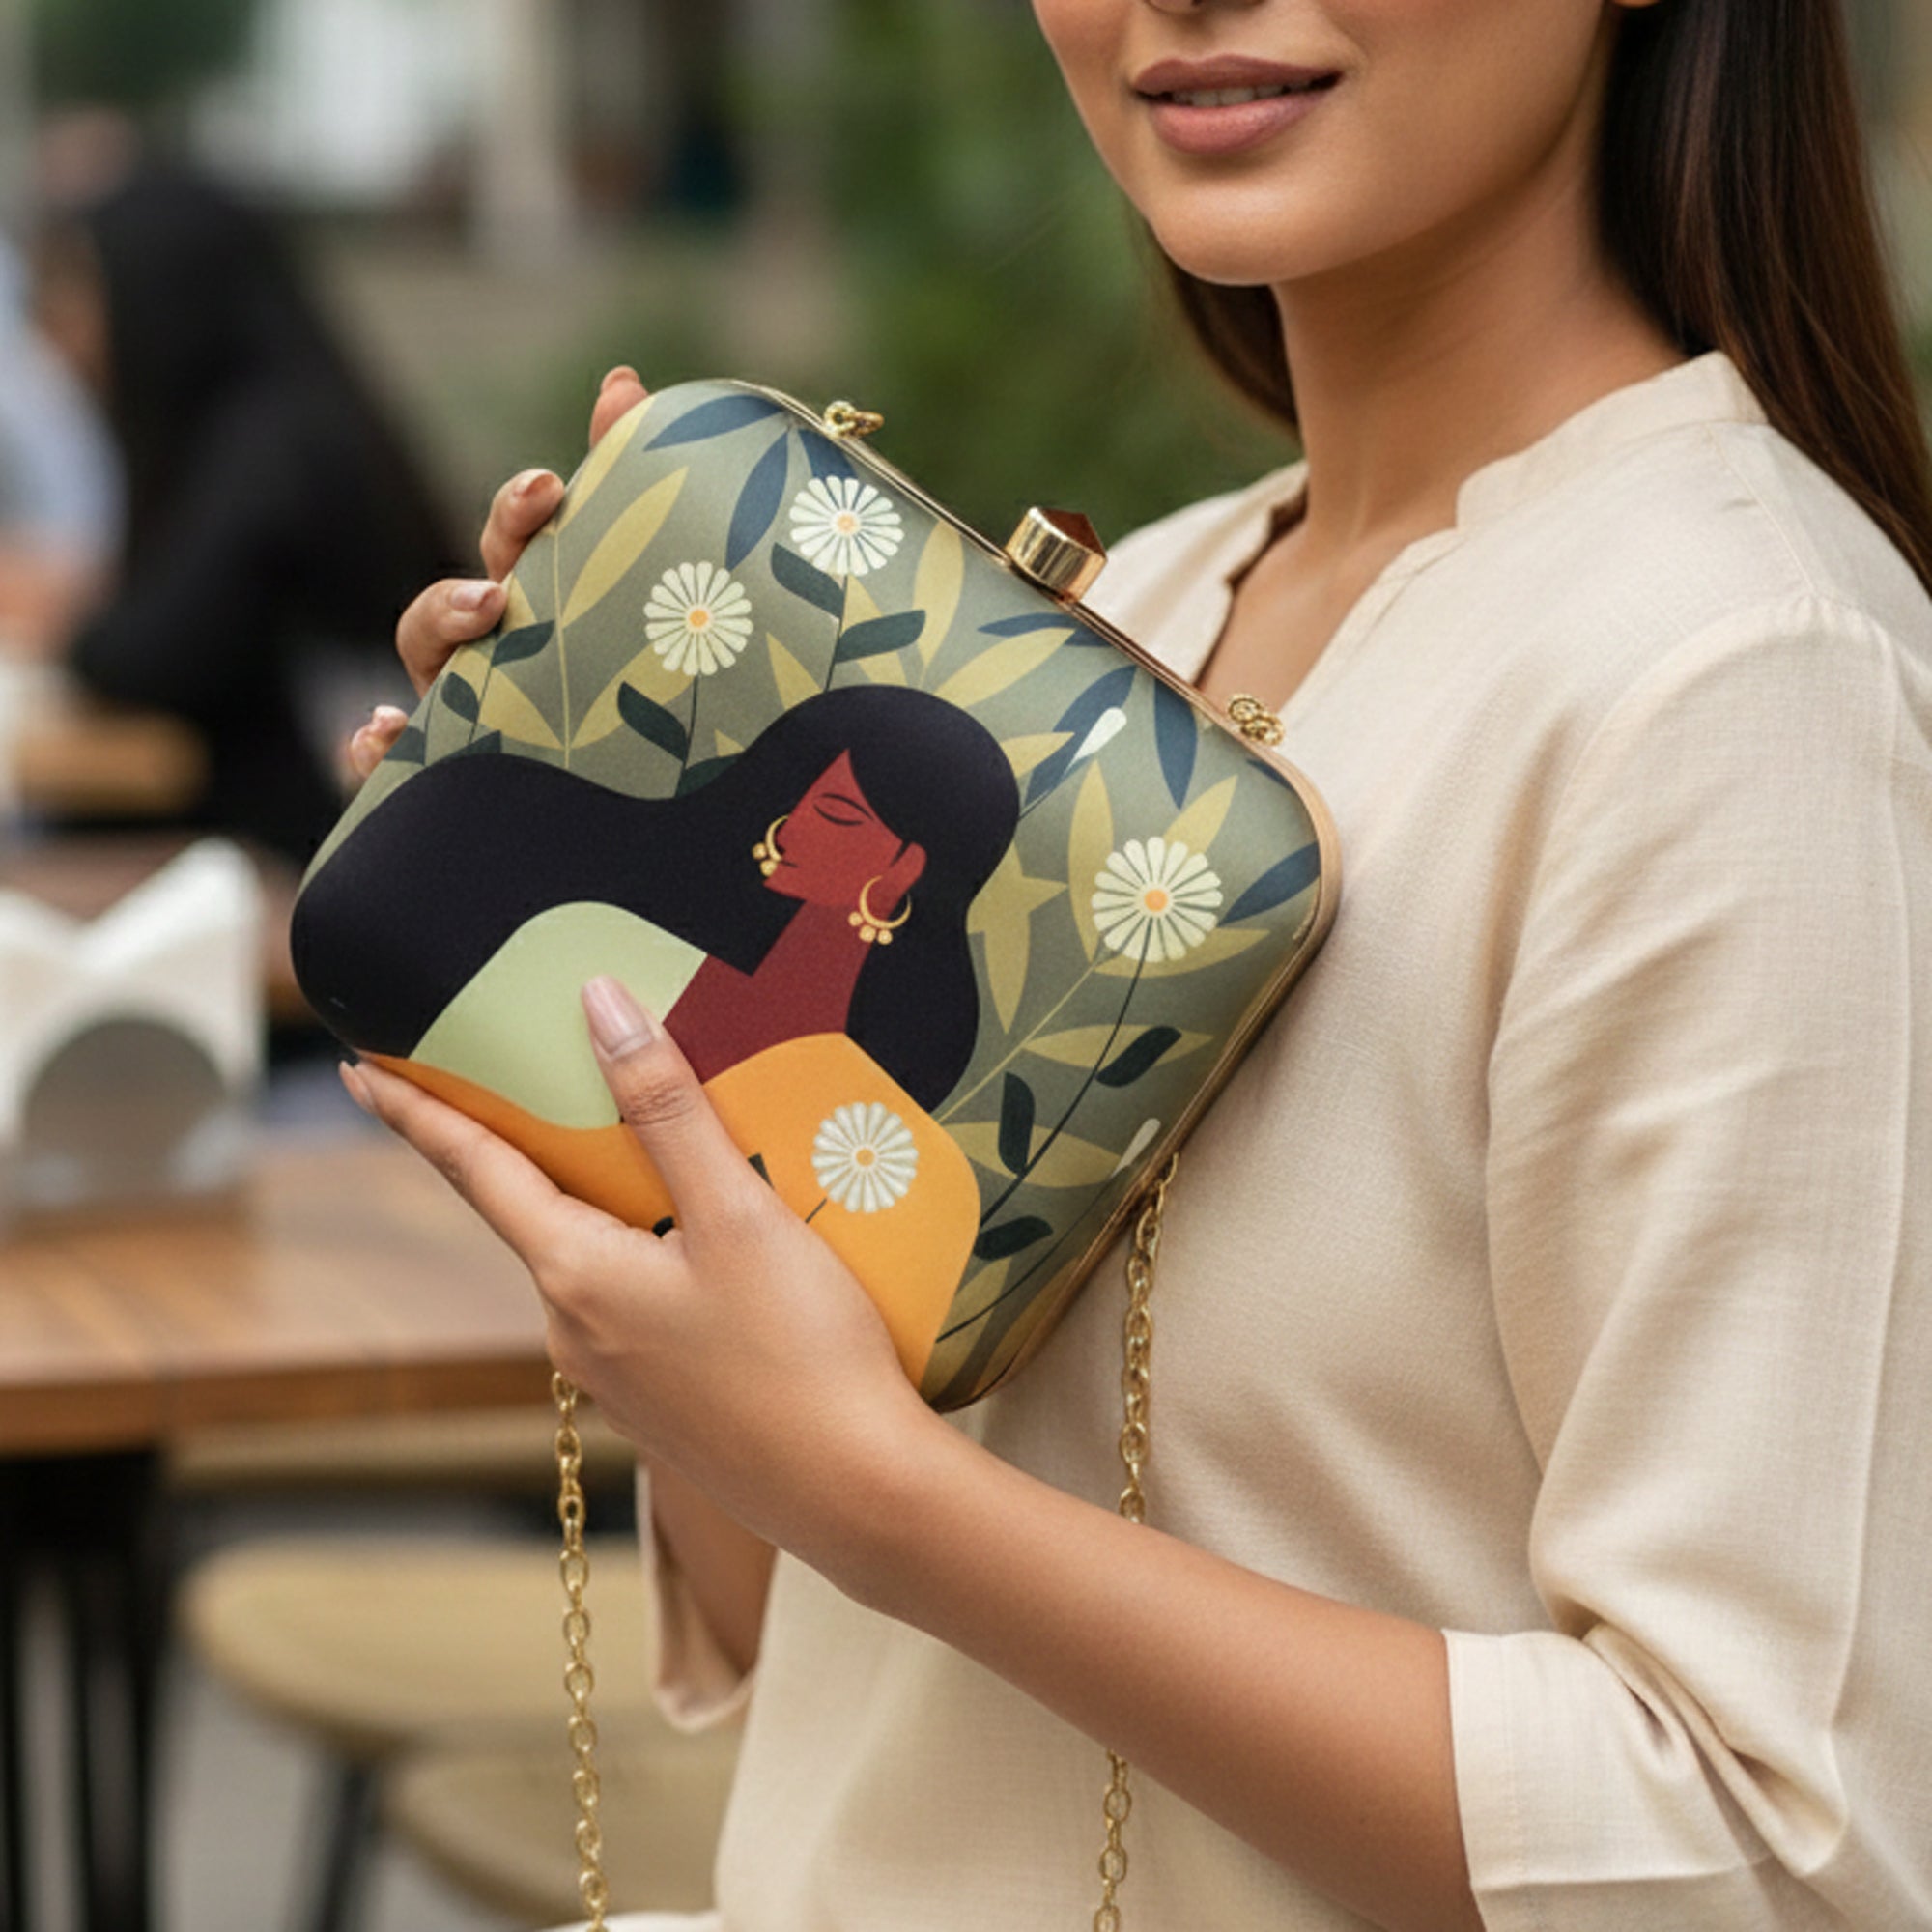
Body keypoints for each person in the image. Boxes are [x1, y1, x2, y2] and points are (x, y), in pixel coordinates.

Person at [340, 0, 1932, 1925]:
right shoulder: (1134, 619)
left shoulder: (1736, 687)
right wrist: (631, 1112)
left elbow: (1762, 1842)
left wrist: (897, 1508)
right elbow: (840, 1616)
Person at [34, 162, 461, 865]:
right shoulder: (285, 421)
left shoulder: (272, 451)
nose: (70, 333)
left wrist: (73, 619)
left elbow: (143, 657)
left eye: (85, 292)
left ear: (160, 295)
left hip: (320, 862)